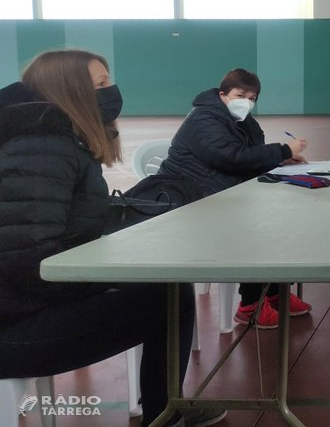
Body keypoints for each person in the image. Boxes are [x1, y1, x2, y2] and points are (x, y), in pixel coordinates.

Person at [0, 50, 224, 427]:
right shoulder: (41, 149)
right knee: (169, 296)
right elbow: (28, 261)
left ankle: (164, 409)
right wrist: (106, 277)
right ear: (71, 92)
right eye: (100, 84)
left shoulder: (49, 140)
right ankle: (164, 414)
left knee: (165, 287)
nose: (111, 91)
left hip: (22, 306)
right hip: (14, 330)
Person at [159, 68, 311, 329]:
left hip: (221, 194)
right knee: (251, 227)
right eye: (241, 95)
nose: (247, 102)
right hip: (189, 202)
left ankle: (274, 294)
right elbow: (229, 157)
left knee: (276, 221)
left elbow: (248, 156)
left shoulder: (245, 122)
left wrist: (280, 158)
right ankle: (249, 304)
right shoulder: (204, 118)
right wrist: (283, 148)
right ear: (222, 95)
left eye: (253, 98)